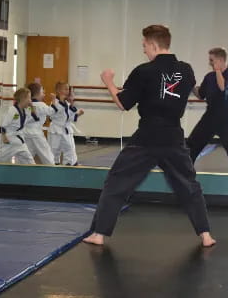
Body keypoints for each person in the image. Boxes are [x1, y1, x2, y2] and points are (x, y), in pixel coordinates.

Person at [83, 25, 216, 247]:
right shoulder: (186, 69)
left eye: (144, 45)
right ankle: (206, 236)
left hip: (146, 138)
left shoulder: (143, 71)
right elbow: (194, 90)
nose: (143, 50)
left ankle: (99, 234)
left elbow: (123, 104)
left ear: (153, 45)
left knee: (117, 182)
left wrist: (108, 81)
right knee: (189, 186)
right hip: (174, 137)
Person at [187, 47, 228, 174]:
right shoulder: (209, 77)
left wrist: (218, 71)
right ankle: (185, 171)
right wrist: (191, 85)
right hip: (209, 116)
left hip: (224, 117)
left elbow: (223, 88)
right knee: (192, 144)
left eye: (212, 60)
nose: (210, 63)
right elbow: (201, 94)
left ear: (220, 60)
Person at [0, 88, 36, 164]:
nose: (30, 100)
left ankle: (31, 172)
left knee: (29, 160)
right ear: (22, 99)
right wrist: (4, 137)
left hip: (19, 140)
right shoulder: (12, 110)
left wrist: (32, 106)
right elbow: (3, 126)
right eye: (29, 98)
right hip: (8, 139)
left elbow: (35, 117)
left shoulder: (25, 111)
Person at [48, 82, 84, 165]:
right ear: (58, 90)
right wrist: (61, 100)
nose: (68, 91)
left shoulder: (67, 103)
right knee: (54, 148)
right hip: (56, 130)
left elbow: (70, 118)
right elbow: (52, 115)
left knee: (70, 147)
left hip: (66, 130)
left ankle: (70, 163)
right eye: (66, 89)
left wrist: (77, 113)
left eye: (68, 89)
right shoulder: (54, 102)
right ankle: (53, 164)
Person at [23, 83, 55, 165]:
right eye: (42, 93)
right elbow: (51, 112)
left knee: (27, 155)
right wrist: (53, 101)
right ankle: (52, 169)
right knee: (47, 155)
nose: (44, 95)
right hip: (36, 133)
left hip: (25, 133)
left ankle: (22, 169)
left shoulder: (25, 105)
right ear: (37, 94)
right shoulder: (41, 105)